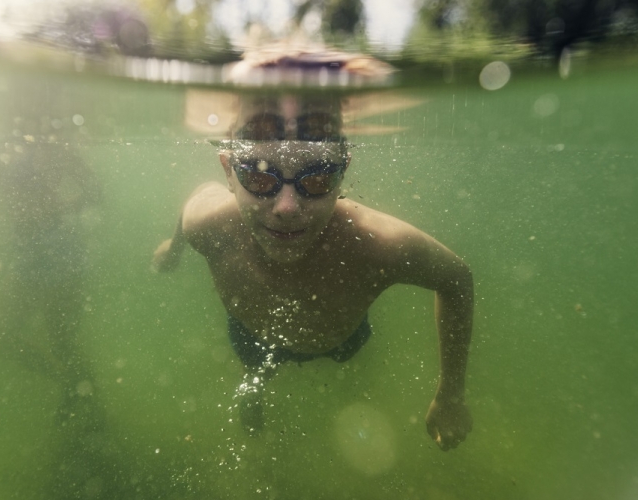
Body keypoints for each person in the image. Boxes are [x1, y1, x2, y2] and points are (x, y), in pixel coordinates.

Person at [151, 49, 475, 451]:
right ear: (228, 172)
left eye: (317, 179)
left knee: (348, 359)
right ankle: (254, 387)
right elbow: (192, 205)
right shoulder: (208, 223)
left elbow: (456, 278)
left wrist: (451, 393)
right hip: (252, 333)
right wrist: (174, 248)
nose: (286, 208)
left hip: (340, 340)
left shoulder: (377, 244)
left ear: (343, 174)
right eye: (259, 177)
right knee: (255, 364)